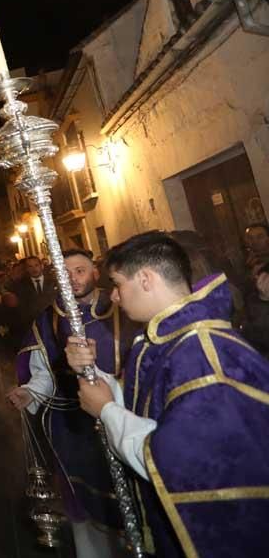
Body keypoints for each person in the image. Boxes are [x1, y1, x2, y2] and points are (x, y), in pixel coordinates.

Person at [66, 231, 269, 557]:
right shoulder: (167, 339)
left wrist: (106, 411)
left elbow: (175, 462)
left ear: (146, 279)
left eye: (118, 283)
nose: (115, 296)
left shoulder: (204, 354)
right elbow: (151, 408)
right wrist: (94, 373)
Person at [6, 249, 135, 557]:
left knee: (125, 500)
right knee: (80, 503)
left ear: (95, 272)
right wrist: (30, 392)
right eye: (65, 273)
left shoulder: (123, 307)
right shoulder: (50, 318)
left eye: (80, 271)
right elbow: (44, 372)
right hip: (71, 427)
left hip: (123, 418)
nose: (73, 279)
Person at [16, 256, 58, 327]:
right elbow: (23, 309)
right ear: (26, 269)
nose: (34, 269)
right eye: (30, 266)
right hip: (34, 325)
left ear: (41, 266)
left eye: (36, 265)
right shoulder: (21, 285)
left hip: (54, 323)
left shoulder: (54, 281)